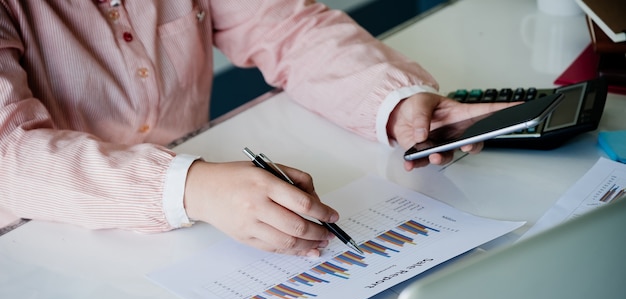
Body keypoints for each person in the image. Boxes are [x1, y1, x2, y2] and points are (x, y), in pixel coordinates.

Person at [0, 0, 507, 257]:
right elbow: (8, 152)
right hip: (34, 242)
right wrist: (188, 186)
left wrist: (392, 102)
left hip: (204, 217)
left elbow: (284, 27)